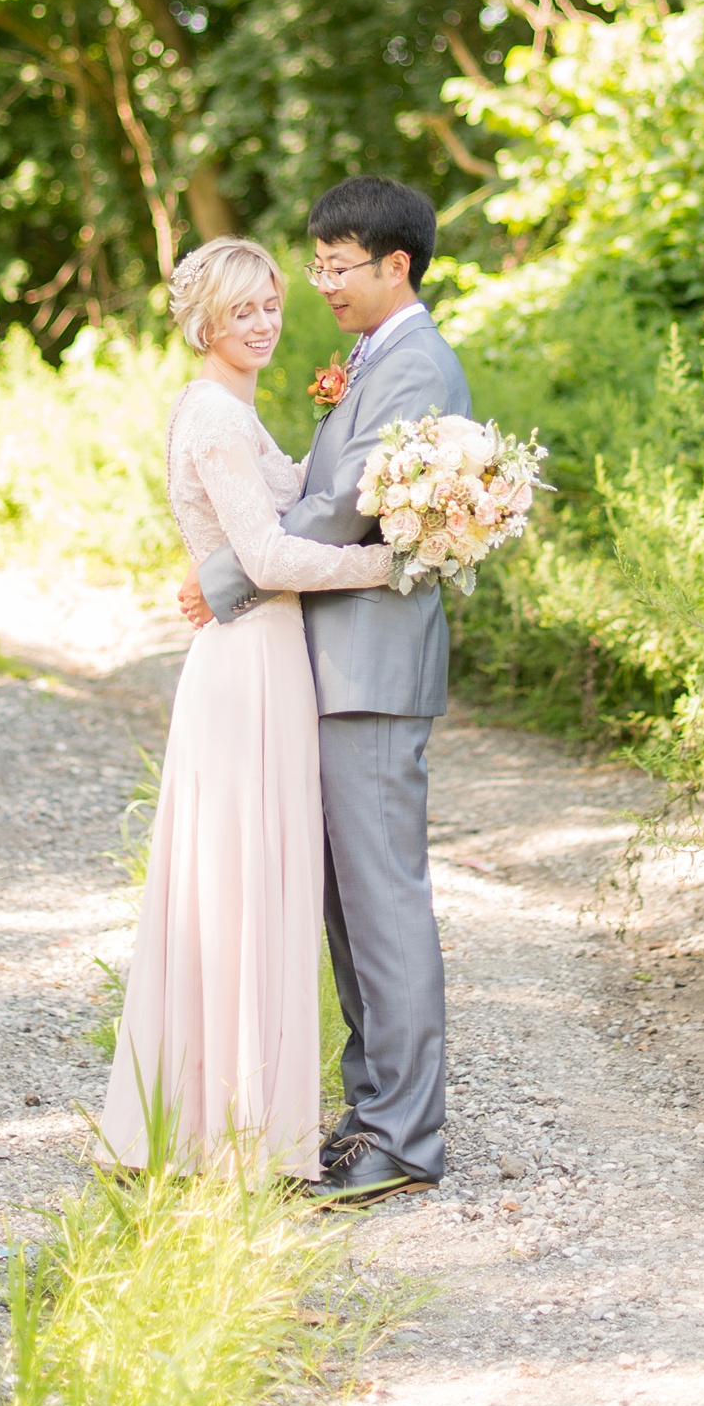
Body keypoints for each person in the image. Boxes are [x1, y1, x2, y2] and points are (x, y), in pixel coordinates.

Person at [182, 177, 469, 1204]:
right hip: (334, 664)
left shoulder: (416, 368)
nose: (321, 284)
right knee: (347, 907)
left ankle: (404, 1134)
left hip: (373, 668)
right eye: (317, 263)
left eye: (336, 265)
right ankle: (370, 1113)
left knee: (381, 903)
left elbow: (346, 504)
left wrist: (222, 574)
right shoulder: (367, 360)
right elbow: (318, 479)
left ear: (395, 265)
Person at [98, 236, 395, 1181]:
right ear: (205, 321)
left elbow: (279, 521)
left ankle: (233, 1121)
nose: (264, 323)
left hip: (265, 655)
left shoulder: (231, 405)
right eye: (244, 311)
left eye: (271, 305)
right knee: (237, 887)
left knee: (252, 884)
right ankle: (227, 1135)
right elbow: (268, 560)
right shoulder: (215, 417)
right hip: (247, 666)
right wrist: (385, 564)